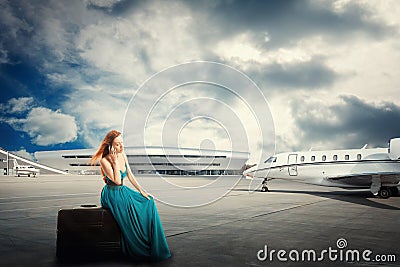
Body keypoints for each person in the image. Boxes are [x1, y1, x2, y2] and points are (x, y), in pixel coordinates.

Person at [90, 130, 171, 261]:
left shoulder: (123, 154)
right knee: (132, 212)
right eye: (117, 144)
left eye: (122, 143)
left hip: (122, 190)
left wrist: (141, 190)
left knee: (149, 202)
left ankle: (151, 243)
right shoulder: (104, 161)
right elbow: (116, 180)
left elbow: (130, 175)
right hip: (112, 194)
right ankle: (138, 246)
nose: (121, 147)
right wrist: (115, 162)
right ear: (110, 146)